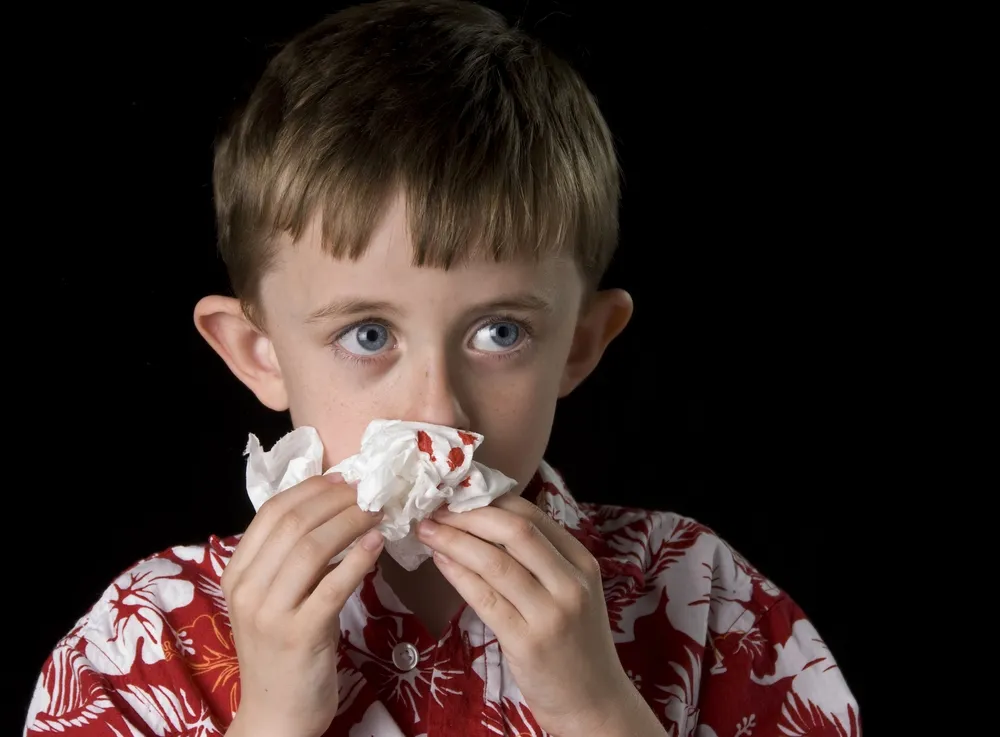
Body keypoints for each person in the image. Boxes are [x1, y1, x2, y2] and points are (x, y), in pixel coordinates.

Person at [24, 1, 860, 735]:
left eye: (500, 332)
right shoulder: (145, 636)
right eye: (367, 334)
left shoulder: (704, 598)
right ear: (259, 353)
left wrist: (596, 710)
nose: (437, 415)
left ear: (579, 344)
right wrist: (273, 718)